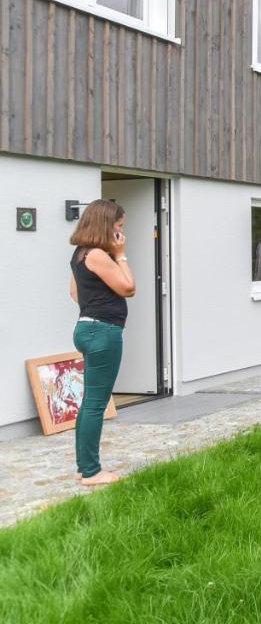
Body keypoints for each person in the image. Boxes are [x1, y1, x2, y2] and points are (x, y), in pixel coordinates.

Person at [68, 199, 136, 487]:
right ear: (106, 225)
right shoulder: (98, 255)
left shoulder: (79, 255)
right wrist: (121, 255)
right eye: (119, 226)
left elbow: (74, 293)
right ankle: (93, 472)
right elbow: (128, 287)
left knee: (90, 403)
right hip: (103, 332)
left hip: (86, 328)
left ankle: (84, 467)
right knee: (96, 404)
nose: (120, 233)